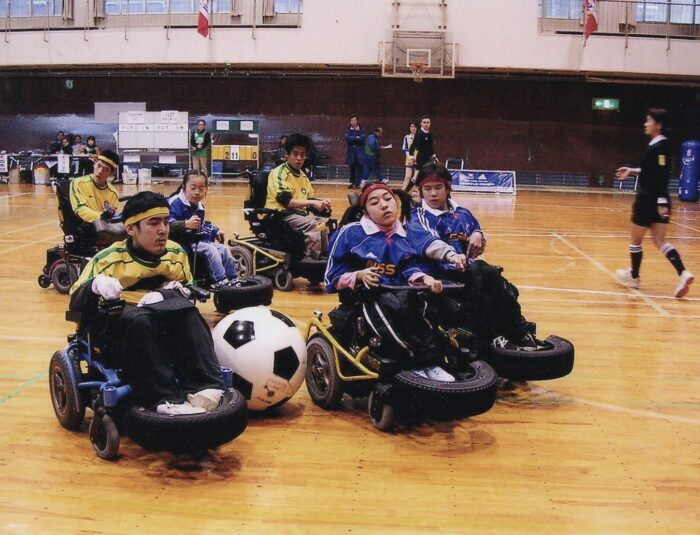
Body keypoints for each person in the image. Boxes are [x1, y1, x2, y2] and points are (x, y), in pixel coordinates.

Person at [69, 191, 226, 415]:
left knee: (190, 314)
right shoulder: (107, 260)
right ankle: (163, 399)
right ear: (131, 229)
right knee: (142, 321)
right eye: (154, 223)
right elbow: (75, 302)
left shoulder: (176, 254)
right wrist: (96, 285)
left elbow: (187, 290)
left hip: (162, 316)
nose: (163, 230)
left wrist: (168, 294)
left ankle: (206, 386)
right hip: (120, 324)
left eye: (166, 221)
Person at [324, 182, 455, 382]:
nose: (384, 205)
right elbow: (330, 277)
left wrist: (425, 278)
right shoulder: (350, 233)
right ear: (365, 211)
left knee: (423, 308)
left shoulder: (402, 235)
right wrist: (358, 275)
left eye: (388, 199)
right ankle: (414, 363)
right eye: (375, 202)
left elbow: (407, 268)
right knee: (389, 307)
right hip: (363, 299)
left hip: (399, 294)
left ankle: (431, 363)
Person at [406, 163, 531, 348]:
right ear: (420, 191)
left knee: (499, 283)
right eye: (428, 189)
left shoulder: (463, 213)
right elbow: (430, 244)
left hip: (465, 272)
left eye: (438, 187)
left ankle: (518, 329)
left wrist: (478, 235)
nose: (433, 194)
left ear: (448, 188)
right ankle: (494, 336)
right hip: (437, 275)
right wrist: (452, 256)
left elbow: (477, 236)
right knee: (482, 274)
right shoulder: (417, 216)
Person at [615, 108, 694, 298]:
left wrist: (660, 203)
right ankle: (683, 273)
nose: (645, 124)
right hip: (658, 199)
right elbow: (652, 171)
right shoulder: (659, 146)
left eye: (648, 121)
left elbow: (661, 176)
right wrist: (632, 171)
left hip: (648, 200)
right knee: (660, 241)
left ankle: (634, 277)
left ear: (658, 125)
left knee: (636, 241)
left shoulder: (660, 147)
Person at [265, 133, 332, 260]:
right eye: (295, 154)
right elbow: (287, 202)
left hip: (298, 215)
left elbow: (310, 199)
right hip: (280, 215)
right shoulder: (279, 173)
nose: (299, 158)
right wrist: (312, 203)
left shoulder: (302, 176)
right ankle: (311, 259)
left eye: (302, 154)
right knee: (312, 225)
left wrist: (322, 204)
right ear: (287, 155)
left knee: (324, 224)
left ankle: (324, 257)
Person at [168, 170, 238, 288]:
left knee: (224, 249)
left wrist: (215, 230)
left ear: (206, 189)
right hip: (179, 244)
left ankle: (234, 280)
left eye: (201, 189)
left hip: (194, 241)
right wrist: (185, 224)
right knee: (210, 250)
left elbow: (201, 225)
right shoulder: (175, 203)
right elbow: (165, 224)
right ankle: (221, 283)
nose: (197, 192)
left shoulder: (200, 207)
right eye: (193, 188)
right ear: (184, 187)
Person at [69, 149, 121, 225]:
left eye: (106, 170)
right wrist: (101, 216)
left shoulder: (113, 194)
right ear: (94, 164)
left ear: (111, 174)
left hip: (104, 228)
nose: (100, 171)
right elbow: (80, 209)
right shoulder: (78, 183)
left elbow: (110, 217)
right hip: (84, 227)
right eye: (99, 166)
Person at [408, 116, 438, 188]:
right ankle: (417, 191)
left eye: (427, 122)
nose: (426, 124)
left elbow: (430, 147)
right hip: (421, 158)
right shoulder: (419, 134)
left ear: (430, 123)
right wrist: (411, 157)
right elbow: (412, 146)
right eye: (424, 122)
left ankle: (406, 191)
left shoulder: (429, 134)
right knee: (425, 175)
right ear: (421, 123)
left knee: (415, 177)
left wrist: (434, 157)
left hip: (428, 158)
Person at [344, 115, 366, 189]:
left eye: (354, 120)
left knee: (359, 168)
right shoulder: (348, 130)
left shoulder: (361, 129)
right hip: (351, 153)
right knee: (352, 168)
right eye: (351, 120)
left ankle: (358, 183)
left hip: (359, 153)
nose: (353, 122)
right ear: (350, 121)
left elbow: (362, 138)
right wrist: (356, 137)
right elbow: (347, 138)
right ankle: (352, 182)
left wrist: (358, 133)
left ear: (357, 121)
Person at [401, 122, 418, 190]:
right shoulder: (407, 137)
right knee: (407, 177)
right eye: (411, 127)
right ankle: (403, 192)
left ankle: (414, 193)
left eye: (414, 127)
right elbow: (406, 149)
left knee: (416, 178)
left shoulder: (420, 137)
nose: (413, 128)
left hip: (418, 160)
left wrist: (417, 159)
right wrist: (410, 158)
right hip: (409, 160)